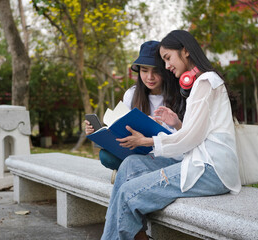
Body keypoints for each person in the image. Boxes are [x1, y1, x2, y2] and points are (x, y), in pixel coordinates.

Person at [100, 30, 242, 240]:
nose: (167, 66)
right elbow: (197, 133)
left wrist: (146, 141)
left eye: (167, 58)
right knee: (130, 165)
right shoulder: (201, 82)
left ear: (185, 52)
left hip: (211, 169)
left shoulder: (205, 82)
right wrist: (176, 123)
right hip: (197, 161)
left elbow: (190, 139)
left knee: (128, 192)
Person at [84, 40, 185, 183]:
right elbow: (123, 129)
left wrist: (158, 128)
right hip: (138, 153)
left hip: (168, 155)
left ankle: (131, 173)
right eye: (144, 71)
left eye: (156, 71)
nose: (150, 77)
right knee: (105, 156)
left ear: (165, 70)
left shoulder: (179, 96)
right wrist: (97, 133)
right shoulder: (132, 94)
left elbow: (184, 139)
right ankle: (138, 173)